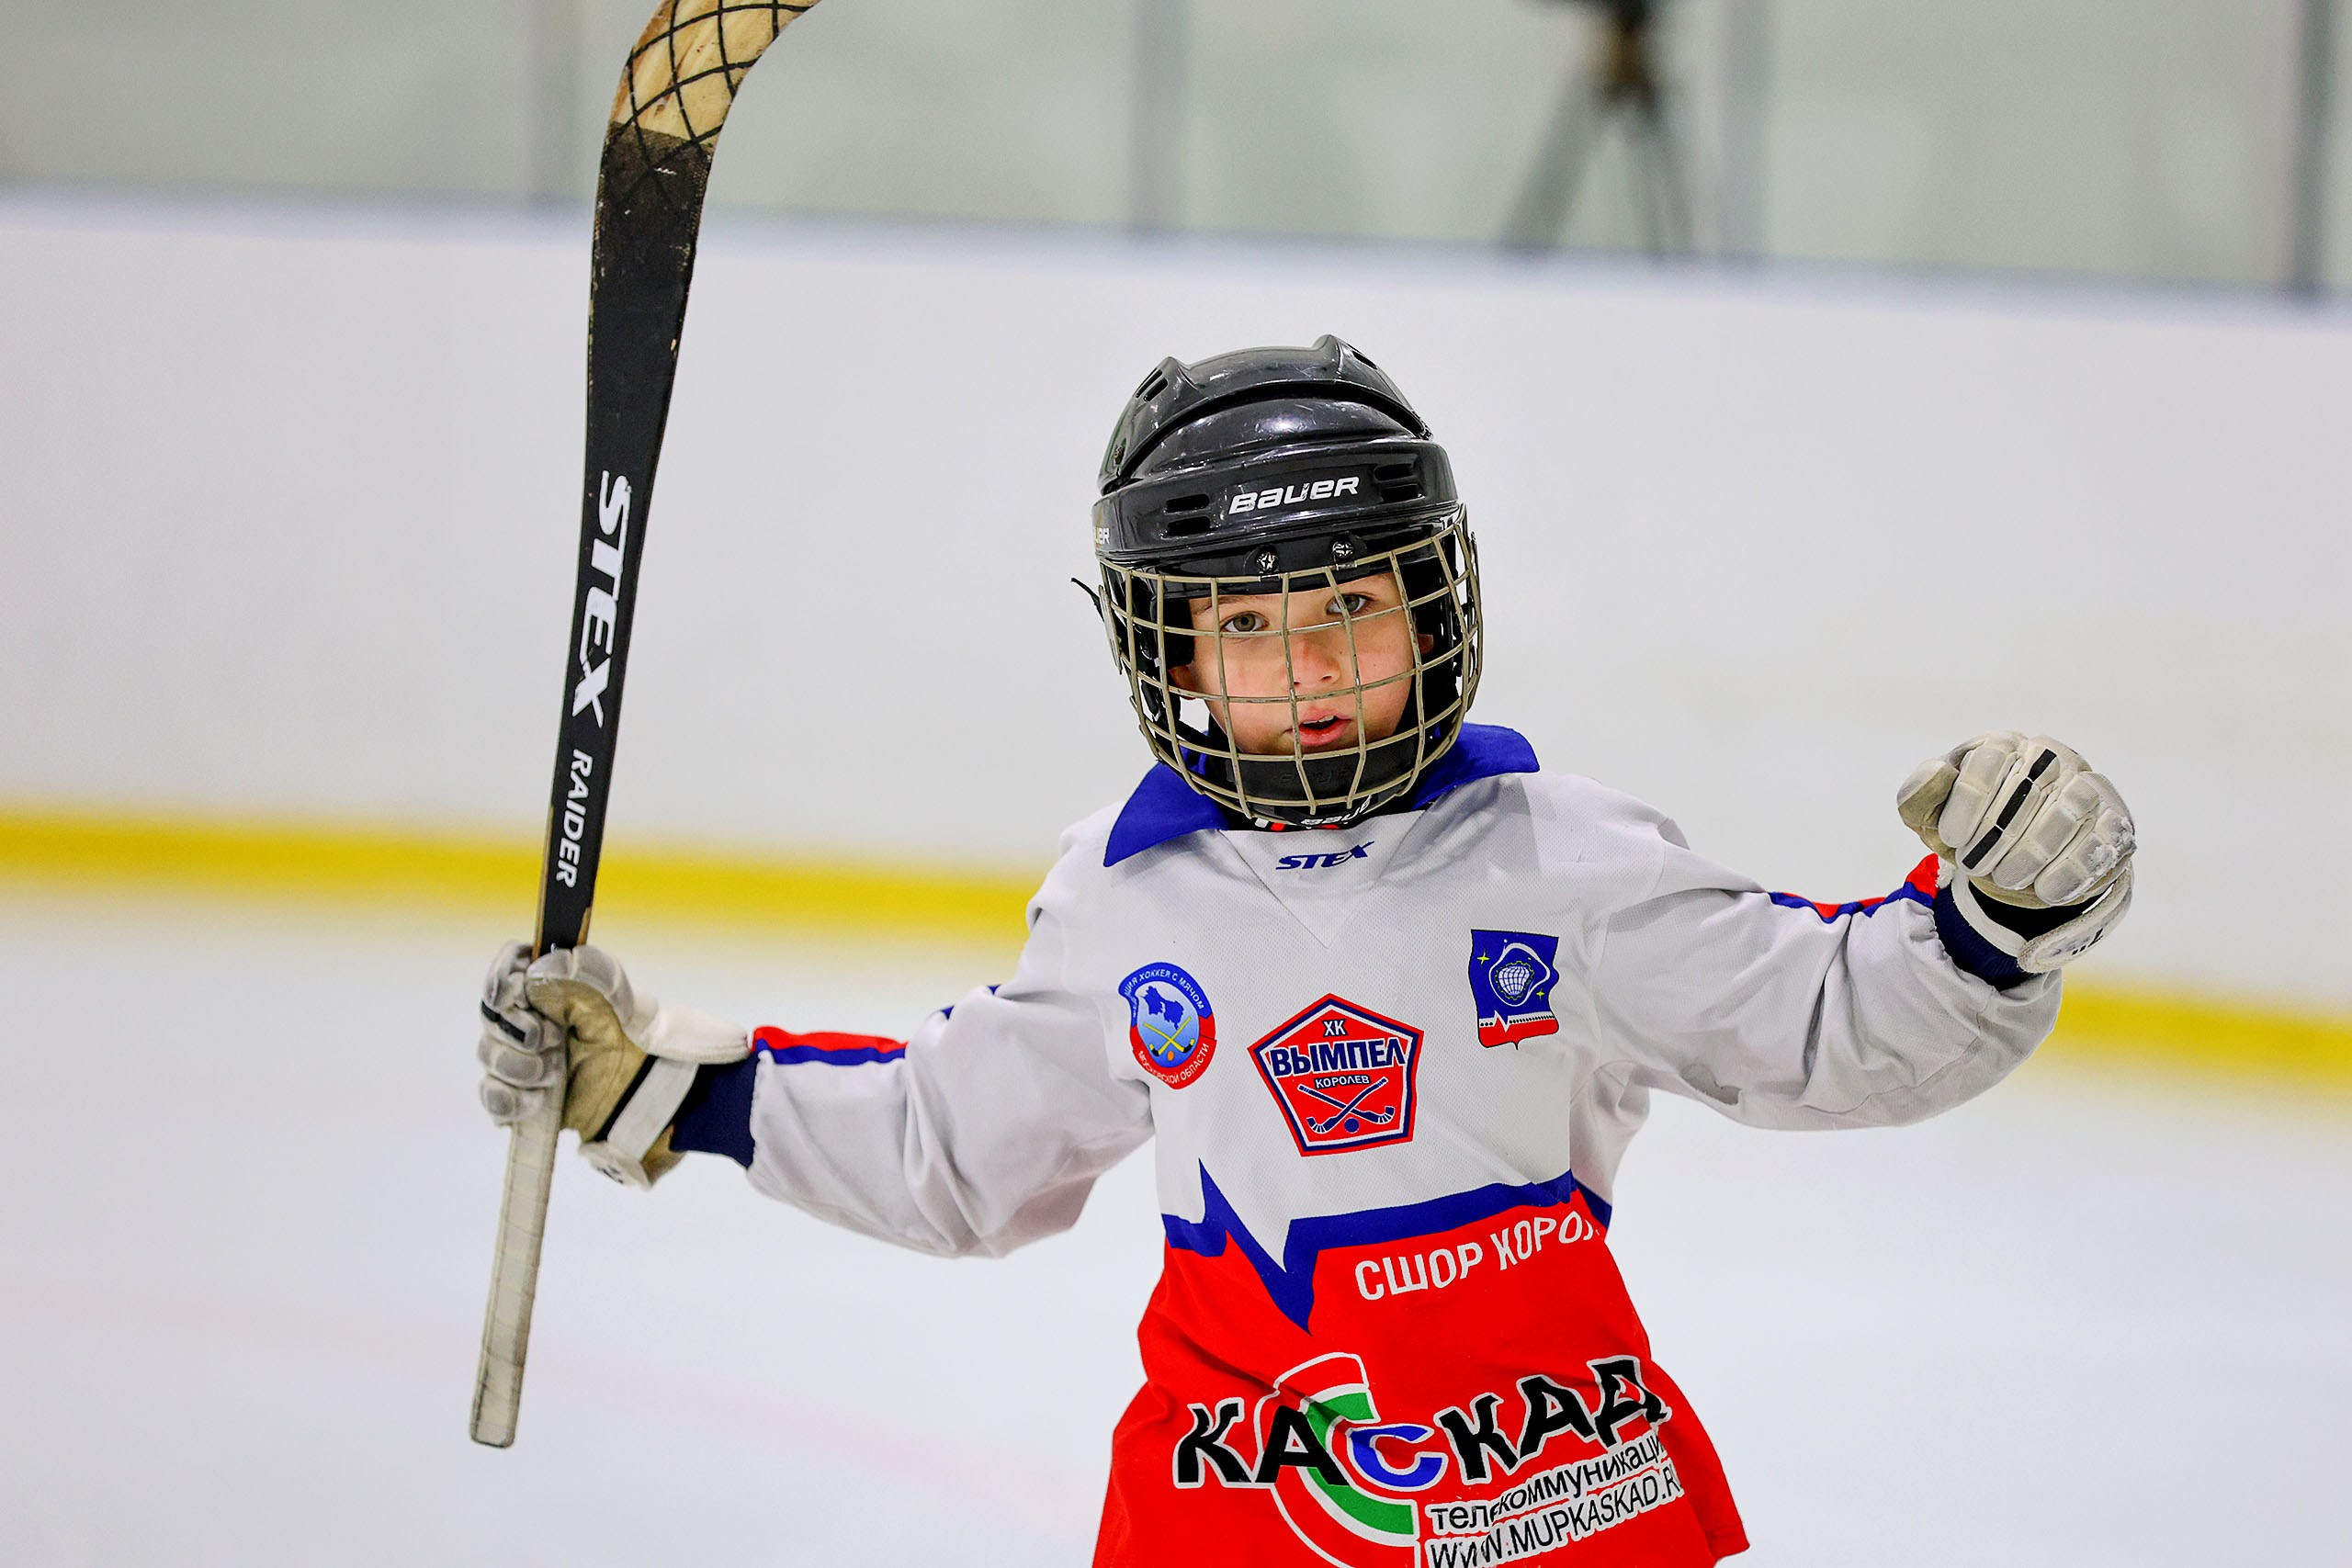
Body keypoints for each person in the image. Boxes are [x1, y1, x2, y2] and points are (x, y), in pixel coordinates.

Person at [476, 336, 2136, 1565]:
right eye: (1248, 624)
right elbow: (949, 1145)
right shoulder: (1128, 901)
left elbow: (1826, 1021)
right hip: (1238, 1511)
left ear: (1435, 604)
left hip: (1563, 1504)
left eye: (1353, 602)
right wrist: (662, 1091)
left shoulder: (1567, 860)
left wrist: (1996, 924)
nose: (1312, 664)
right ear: (1173, 654)